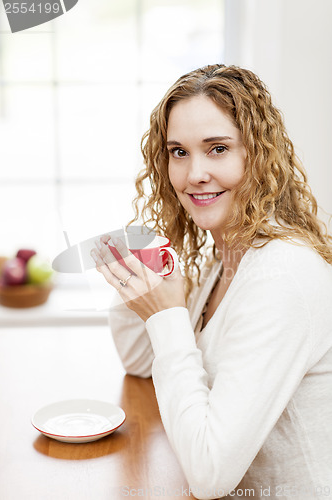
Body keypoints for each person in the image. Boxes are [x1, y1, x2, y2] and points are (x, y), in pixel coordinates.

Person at [90, 64, 332, 499]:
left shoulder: (280, 277)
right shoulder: (222, 258)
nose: (194, 173)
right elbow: (139, 362)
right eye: (178, 152)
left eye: (217, 148)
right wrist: (133, 281)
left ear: (258, 155)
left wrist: (165, 315)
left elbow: (209, 475)